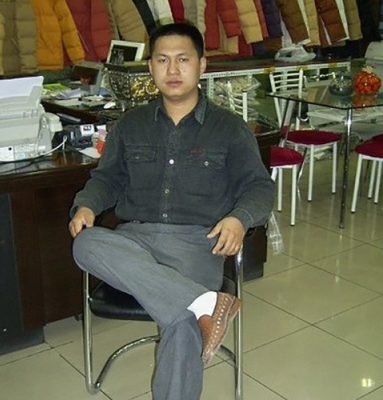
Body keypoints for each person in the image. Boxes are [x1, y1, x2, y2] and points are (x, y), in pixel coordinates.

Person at [69, 22, 274, 400]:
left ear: (202, 65)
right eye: (163, 60)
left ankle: (194, 306)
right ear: (151, 67)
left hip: (197, 244)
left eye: (183, 59)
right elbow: (107, 179)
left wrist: (239, 218)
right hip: (133, 243)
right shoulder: (131, 124)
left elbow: (260, 188)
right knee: (85, 244)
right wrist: (87, 205)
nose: (173, 69)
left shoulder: (229, 129)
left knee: (180, 320)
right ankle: (204, 303)